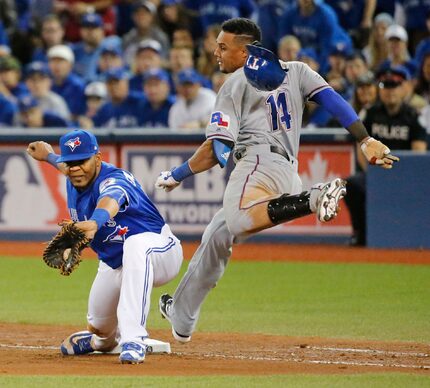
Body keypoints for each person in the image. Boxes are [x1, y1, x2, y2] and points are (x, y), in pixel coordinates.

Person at [155, 18, 399, 343]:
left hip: (257, 162)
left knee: (239, 221)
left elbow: (217, 149)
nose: (215, 52)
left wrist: (176, 174)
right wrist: (364, 139)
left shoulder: (234, 85)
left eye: (223, 47)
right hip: (286, 173)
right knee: (217, 235)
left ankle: (313, 199)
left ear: (245, 53)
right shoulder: (296, 70)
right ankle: (182, 316)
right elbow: (331, 99)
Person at [26, 129, 183, 364]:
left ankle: (134, 339)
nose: (75, 168)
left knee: (135, 245)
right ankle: (101, 343)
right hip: (115, 263)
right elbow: (65, 163)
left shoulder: (115, 180)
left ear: (97, 159)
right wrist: (48, 155)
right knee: (99, 326)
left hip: (161, 251)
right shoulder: (73, 172)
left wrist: (95, 222)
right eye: (70, 163)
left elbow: (110, 199)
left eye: (82, 161)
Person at [344, 66, 427, 246]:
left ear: (404, 88)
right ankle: (361, 233)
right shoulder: (370, 114)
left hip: (406, 175)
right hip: (375, 173)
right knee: (352, 185)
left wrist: (399, 176)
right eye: (385, 86)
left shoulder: (413, 116)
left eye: (394, 86)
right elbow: (361, 150)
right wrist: (376, 177)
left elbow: (418, 152)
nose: (390, 91)